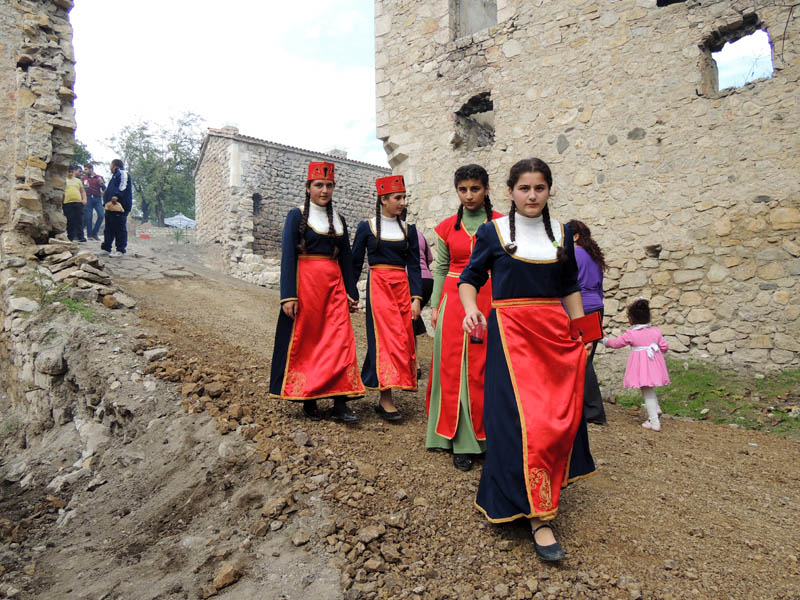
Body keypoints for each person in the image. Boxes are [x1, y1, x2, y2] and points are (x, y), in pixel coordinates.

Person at [459, 157, 595, 562]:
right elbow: (469, 278)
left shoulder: (562, 233)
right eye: (524, 188)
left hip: (554, 336)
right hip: (511, 336)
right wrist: (471, 309)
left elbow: (570, 287)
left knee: (556, 418)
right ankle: (537, 515)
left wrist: (586, 333)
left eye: (539, 188)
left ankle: (543, 491)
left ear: (549, 190)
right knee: (522, 422)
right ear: (511, 192)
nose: (532, 195)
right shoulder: (493, 232)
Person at [269, 161, 364, 422]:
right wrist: (288, 295)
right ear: (308, 187)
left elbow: (346, 260)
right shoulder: (296, 215)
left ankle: (340, 402)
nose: (324, 190)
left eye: (329, 185)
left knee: (339, 341)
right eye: (319, 185)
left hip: (334, 288)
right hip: (307, 287)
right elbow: (288, 256)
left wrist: (351, 292)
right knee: (309, 342)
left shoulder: (340, 220)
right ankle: (309, 397)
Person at [426, 164, 502, 472]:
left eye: (475, 189)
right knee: (453, 368)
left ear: (486, 189)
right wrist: (435, 306)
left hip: (490, 299)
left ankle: (489, 437)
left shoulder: (502, 224)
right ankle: (459, 441)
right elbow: (441, 268)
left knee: (486, 368)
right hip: (452, 301)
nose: (469, 195)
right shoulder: (446, 228)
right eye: (463, 189)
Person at [351, 175, 422, 422]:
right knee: (385, 340)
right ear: (383, 199)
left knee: (402, 340)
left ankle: (389, 386)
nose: (402, 202)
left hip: (402, 288)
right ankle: (386, 398)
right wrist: (350, 293)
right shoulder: (367, 227)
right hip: (379, 286)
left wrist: (416, 298)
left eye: (404, 197)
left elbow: (414, 266)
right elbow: (355, 263)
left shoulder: (409, 230)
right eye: (397, 198)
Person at [602, 298, 670, 432]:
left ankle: (654, 422)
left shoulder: (631, 334)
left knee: (647, 390)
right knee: (649, 388)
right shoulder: (655, 331)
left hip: (642, 367)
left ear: (631, 319)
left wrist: (602, 340)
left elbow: (616, 344)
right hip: (654, 364)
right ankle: (656, 409)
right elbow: (665, 347)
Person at [567, 219, 608, 425]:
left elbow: (567, 285)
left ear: (575, 236)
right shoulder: (593, 256)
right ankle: (587, 408)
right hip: (597, 307)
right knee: (586, 359)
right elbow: (599, 287)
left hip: (580, 309)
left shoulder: (573, 254)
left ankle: (594, 411)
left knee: (582, 359)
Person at [100, 159, 132, 257]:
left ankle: (120, 250)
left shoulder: (122, 173)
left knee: (119, 228)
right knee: (109, 228)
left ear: (114, 165)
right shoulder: (114, 176)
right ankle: (106, 248)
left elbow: (123, 185)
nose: (110, 168)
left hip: (120, 206)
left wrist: (117, 196)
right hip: (111, 207)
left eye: (111, 165)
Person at [63, 164, 87, 242]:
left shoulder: (78, 181)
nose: (70, 173)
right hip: (67, 202)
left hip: (78, 202)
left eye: (71, 172)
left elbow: (82, 191)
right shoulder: (63, 180)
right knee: (70, 220)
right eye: (69, 172)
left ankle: (81, 236)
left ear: (73, 172)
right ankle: (70, 237)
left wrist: (84, 199)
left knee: (79, 219)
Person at [82, 163, 106, 241]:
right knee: (89, 217)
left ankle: (95, 233)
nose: (85, 171)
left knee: (101, 215)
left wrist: (101, 183)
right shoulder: (84, 178)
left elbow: (104, 189)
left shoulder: (99, 177)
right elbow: (82, 189)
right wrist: (85, 186)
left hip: (97, 198)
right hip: (88, 197)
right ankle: (89, 235)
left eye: (86, 169)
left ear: (91, 169)